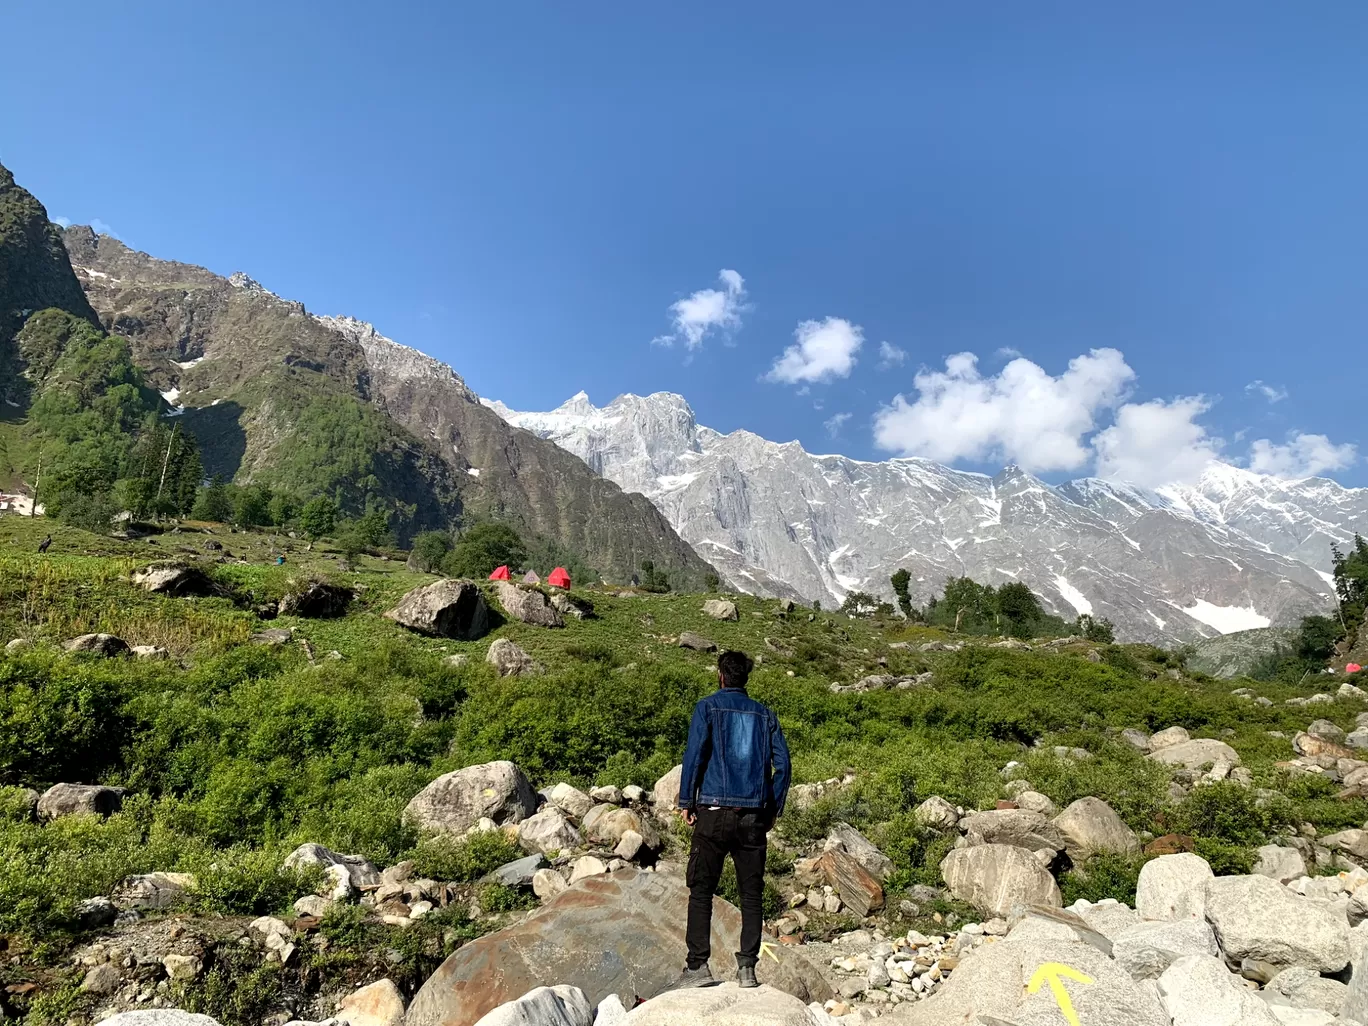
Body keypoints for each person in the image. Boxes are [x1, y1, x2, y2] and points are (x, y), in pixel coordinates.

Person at [673, 649, 791, 990]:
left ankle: (698, 967)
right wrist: (771, 809)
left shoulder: (707, 707)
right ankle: (748, 970)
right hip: (753, 817)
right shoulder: (765, 715)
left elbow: (694, 756)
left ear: (720, 675)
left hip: (712, 811)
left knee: (701, 891)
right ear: (745, 678)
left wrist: (687, 801)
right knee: (751, 895)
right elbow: (783, 764)